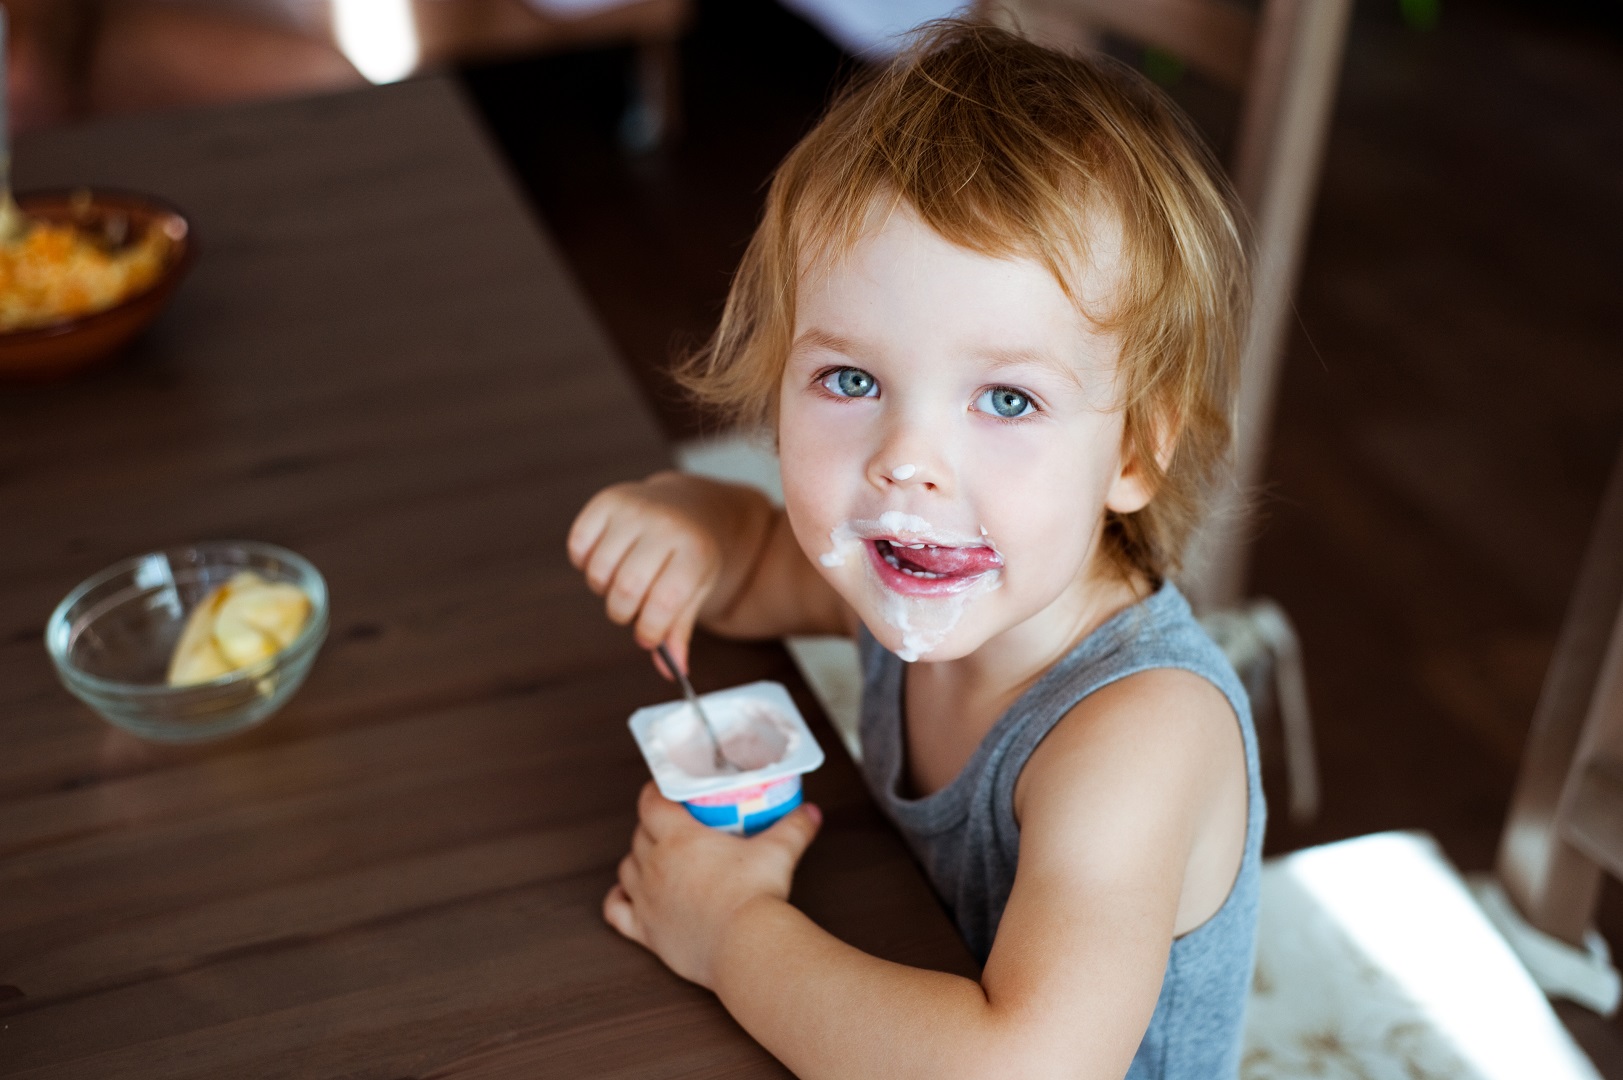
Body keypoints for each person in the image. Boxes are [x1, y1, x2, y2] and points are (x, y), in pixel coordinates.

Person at [567, 18, 1261, 1079]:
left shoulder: (1137, 737)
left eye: (1007, 397)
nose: (906, 463)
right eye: (852, 381)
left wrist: (731, 936)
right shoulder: (928, 573)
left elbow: (1019, 1068)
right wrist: (698, 523)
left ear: (1133, 450)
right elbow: (759, 570)